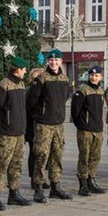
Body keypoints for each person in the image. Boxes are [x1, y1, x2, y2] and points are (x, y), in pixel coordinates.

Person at [26, 49, 72, 203]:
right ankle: (38, 187)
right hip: (43, 124)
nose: (54, 62)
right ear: (47, 61)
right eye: (51, 60)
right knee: (41, 155)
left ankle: (55, 186)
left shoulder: (64, 78)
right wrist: (40, 114)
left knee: (57, 155)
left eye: (57, 60)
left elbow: (65, 97)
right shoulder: (41, 79)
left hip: (58, 124)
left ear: (60, 61)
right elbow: (31, 101)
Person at [0, 56, 32, 210]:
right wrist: (1, 125)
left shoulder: (20, 84)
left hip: (19, 132)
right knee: (2, 164)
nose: (26, 71)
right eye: (24, 69)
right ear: (17, 70)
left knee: (16, 164)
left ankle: (14, 193)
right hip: (6, 133)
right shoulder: (4, 84)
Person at [70, 65, 105, 198]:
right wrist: (81, 125)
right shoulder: (83, 90)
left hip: (98, 130)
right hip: (85, 130)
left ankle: (91, 180)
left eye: (96, 75)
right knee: (84, 157)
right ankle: (83, 183)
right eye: (91, 75)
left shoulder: (101, 91)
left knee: (95, 157)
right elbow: (75, 110)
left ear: (100, 77)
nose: (94, 77)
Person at [25, 67, 45, 191]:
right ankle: (34, 178)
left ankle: (41, 177)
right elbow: (30, 107)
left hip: (40, 124)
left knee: (42, 153)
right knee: (34, 152)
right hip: (32, 125)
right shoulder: (30, 90)